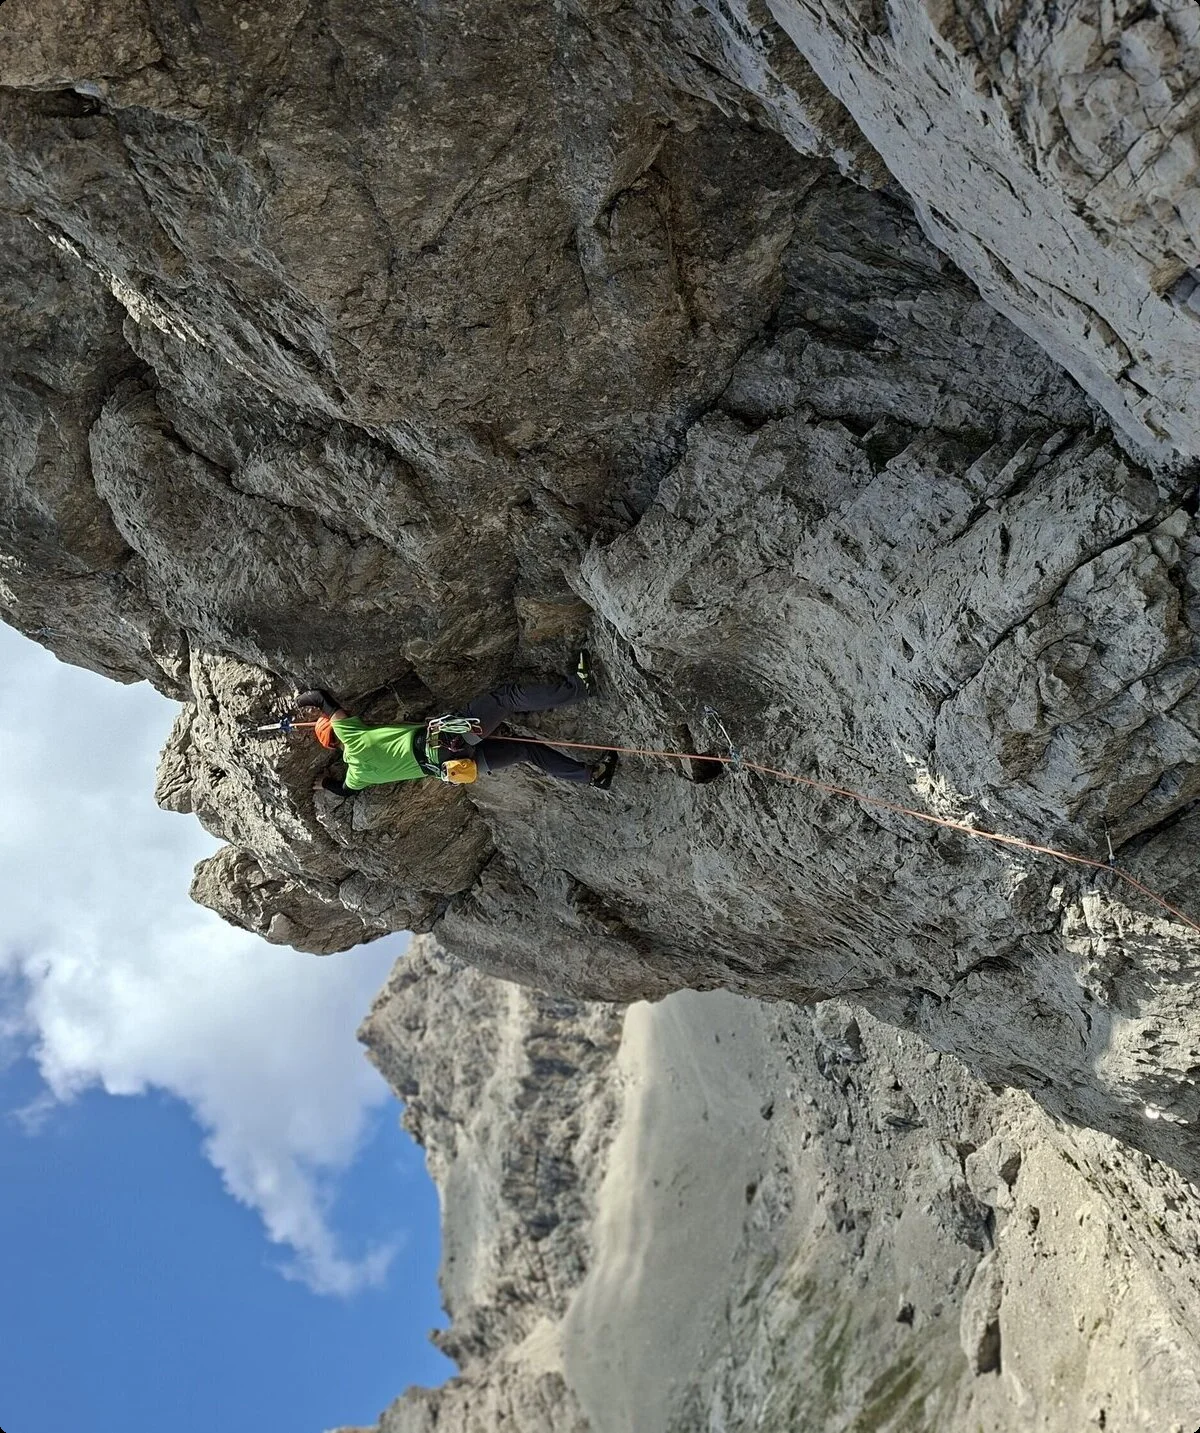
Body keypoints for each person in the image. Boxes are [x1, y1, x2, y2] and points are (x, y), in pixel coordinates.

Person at [295, 654, 618, 797]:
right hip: (449, 740)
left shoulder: (357, 775)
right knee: (503, 698)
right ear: (336, 733)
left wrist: (324, 784)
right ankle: (579, 688)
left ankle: (592, 776)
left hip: (456, 766)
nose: (346, 714)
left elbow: (344, 792)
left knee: (524, 751)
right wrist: (299, 702)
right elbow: (322, 699)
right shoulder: (354, 738)